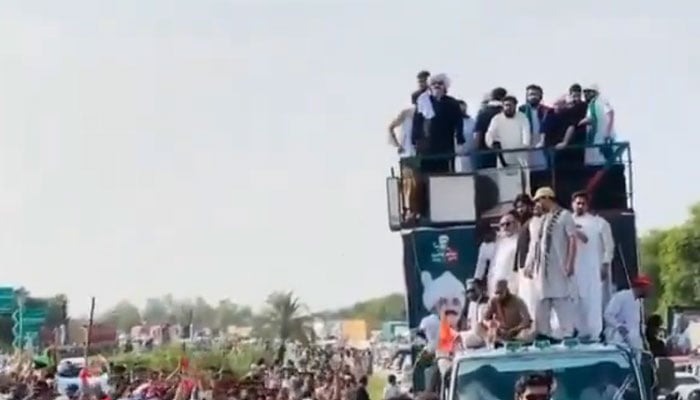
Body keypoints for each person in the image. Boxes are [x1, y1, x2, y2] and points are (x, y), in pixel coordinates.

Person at [526, 186, 578, 339]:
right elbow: (536, 244)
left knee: (562, 303)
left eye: (539, 200)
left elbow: (572, 240)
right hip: (542, 272)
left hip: (559, 268)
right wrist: (530, 265)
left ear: (546, 198)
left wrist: (570, 263)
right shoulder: (542, 219)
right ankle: (544, 336)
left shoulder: (565, 216)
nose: (537, 204)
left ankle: (568, 335)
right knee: (541, 306)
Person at [570, 191, 605, 339]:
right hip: (571, 267)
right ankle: (573, 331)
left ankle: (593, 333)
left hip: (590, 268)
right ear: (572, 204)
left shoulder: (595, 222)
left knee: (591, 301)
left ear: (587, 206)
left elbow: (586, 239)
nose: (580, 206)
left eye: (583, 203)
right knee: (572, 300)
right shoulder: (567, 220)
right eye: (577, 203)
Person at [603, 274, 653, 350]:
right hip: (619, 343)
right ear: (641, 287)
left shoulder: (638, 302)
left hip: (634, 344)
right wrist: (618, 326)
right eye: (648, 288)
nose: (649, 291)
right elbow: (608, 314)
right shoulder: (622, 296)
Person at [481, 279, 535, 344]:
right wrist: (489, 323)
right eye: (496, 293)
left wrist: (514, 330)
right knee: (477, 327)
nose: (498, 296)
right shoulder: (493, 301)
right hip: (499, 332)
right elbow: (484, 319)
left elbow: (526, 320)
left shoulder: (517, 301)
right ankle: (491, 341)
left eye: (500, 293)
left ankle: (513, 342)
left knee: (529, 334)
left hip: (516, 331)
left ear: (506, 290)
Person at [484, 95, 531, 169]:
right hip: (503, 157)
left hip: (520, 157)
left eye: (511, 105)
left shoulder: (523, 118)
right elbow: (490, 134)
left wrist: (523, 147)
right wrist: (491, 143)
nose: (508, 108)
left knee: (523, 179)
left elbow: (526, 137)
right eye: (506, 105)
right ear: (503, 106)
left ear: (515, 106)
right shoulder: (496, 119)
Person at [519, 84, 551, 170]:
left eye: (535, 94)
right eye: (530, 94)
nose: (533, 97)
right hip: (527, 144)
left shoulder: (547, 111)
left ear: (540, 96)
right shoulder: (521, 111)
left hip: (542, 144)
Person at [487, 212, 520, 296]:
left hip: (512, 288)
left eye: (508, 224)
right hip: (496, 288)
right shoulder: (499, 244)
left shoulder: (518, 242)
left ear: (515, 224)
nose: (505, 227)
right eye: (502, 225)